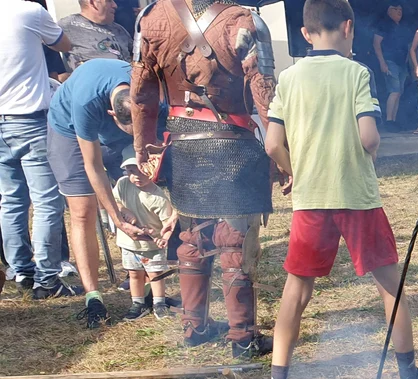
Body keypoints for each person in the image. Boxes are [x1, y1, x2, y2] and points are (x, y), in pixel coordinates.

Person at [263, 0, 418, 379]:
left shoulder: (289, 77)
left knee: (296, 290)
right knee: (389, 285)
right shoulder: (356, 73)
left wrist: (294, 170)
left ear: (305, 33)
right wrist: (372, 152)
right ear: (349, 27)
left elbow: (272, 143)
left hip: (311, 198)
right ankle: (408, 377)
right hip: (356, 196)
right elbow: (369, 137)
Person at [132, 0, 276, 354]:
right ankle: (242, 337)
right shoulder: (246, 21)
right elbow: (267, 95)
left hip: (181, 142)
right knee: (233, 241)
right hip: (231, 142)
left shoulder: (150, 18)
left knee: (192, 238)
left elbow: (140, 93)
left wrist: (144, 146)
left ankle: (195, 327)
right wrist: (280, 152)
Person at [47, 59, 141, 328]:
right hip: (69, 132)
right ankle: (93, 298)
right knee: (83, 211)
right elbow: (93, 166)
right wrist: (115, 215)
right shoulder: (86, 102)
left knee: (138, 200)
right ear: (113, 113)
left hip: (118, 128)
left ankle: (142, 288)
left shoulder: (146, 90)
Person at [0, 0, 75, 299]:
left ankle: (20, 270)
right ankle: (47, 279)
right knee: (47, 202)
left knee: (11, 200)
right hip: (28, 119)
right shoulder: (28, 11)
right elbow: (64, 43)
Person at [112, 156, 173, 319]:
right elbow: (114, 202)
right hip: (129, 243)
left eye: (142, 172)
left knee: (156, 274)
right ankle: (138, 303)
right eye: (131, 171)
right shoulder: (123, 184)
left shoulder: (159, 197)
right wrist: (125, 212)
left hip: (151, 247)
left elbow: (168, 223)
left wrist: (164, 238)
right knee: (134, 274)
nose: (136, 176)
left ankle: (159, 303)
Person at [58, 0, 132, 72]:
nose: (115, 5)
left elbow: (136, 57)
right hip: (93, 81)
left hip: (127, 79)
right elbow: (50, 53)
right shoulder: (67, 26)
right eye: (109, 1)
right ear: (93, 3)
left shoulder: (119, 29)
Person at [373, 3, 410, 131]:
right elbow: (376, 43)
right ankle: (388, 120)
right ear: (389, 10)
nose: (399, 11)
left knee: (399, 92)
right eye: (396, 9)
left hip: (401, 64)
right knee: (394, 91)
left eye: (401, 9)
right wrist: (382, 62)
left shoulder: (401, 27)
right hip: (390, 62)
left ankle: (393, 120)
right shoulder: (384, 24)